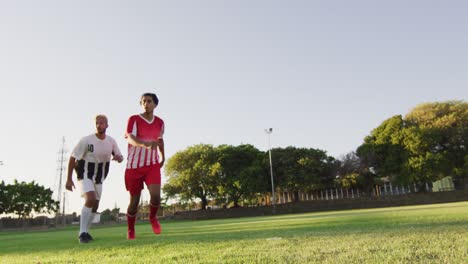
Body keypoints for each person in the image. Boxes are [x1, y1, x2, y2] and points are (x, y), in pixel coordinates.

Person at [66, 115, 123, 243]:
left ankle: (86, 231)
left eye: (102, 123)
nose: (99, 125)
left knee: (95, 205)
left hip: (99, 177)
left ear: (107, 125)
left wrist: (119, 158)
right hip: (84, 173)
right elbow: (72, 158)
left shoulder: (111, 141)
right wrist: (69, 179)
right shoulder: (86, 140)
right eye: (97, 123)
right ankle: (82, 233)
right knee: (90, 198)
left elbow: (119, 155)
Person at [124, 92, 165, 240]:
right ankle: (130, 229)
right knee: (134, 202)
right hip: (134, 166)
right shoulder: (134, 119)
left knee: (156, 196)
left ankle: (153, 217)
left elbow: (160, 140)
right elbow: (130, 138)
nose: (146, 103)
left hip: (152, 164)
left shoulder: (160, 122)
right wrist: (144, 144)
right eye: (143, 101)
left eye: (149, 101)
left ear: (155, 104)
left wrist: (163, 155)